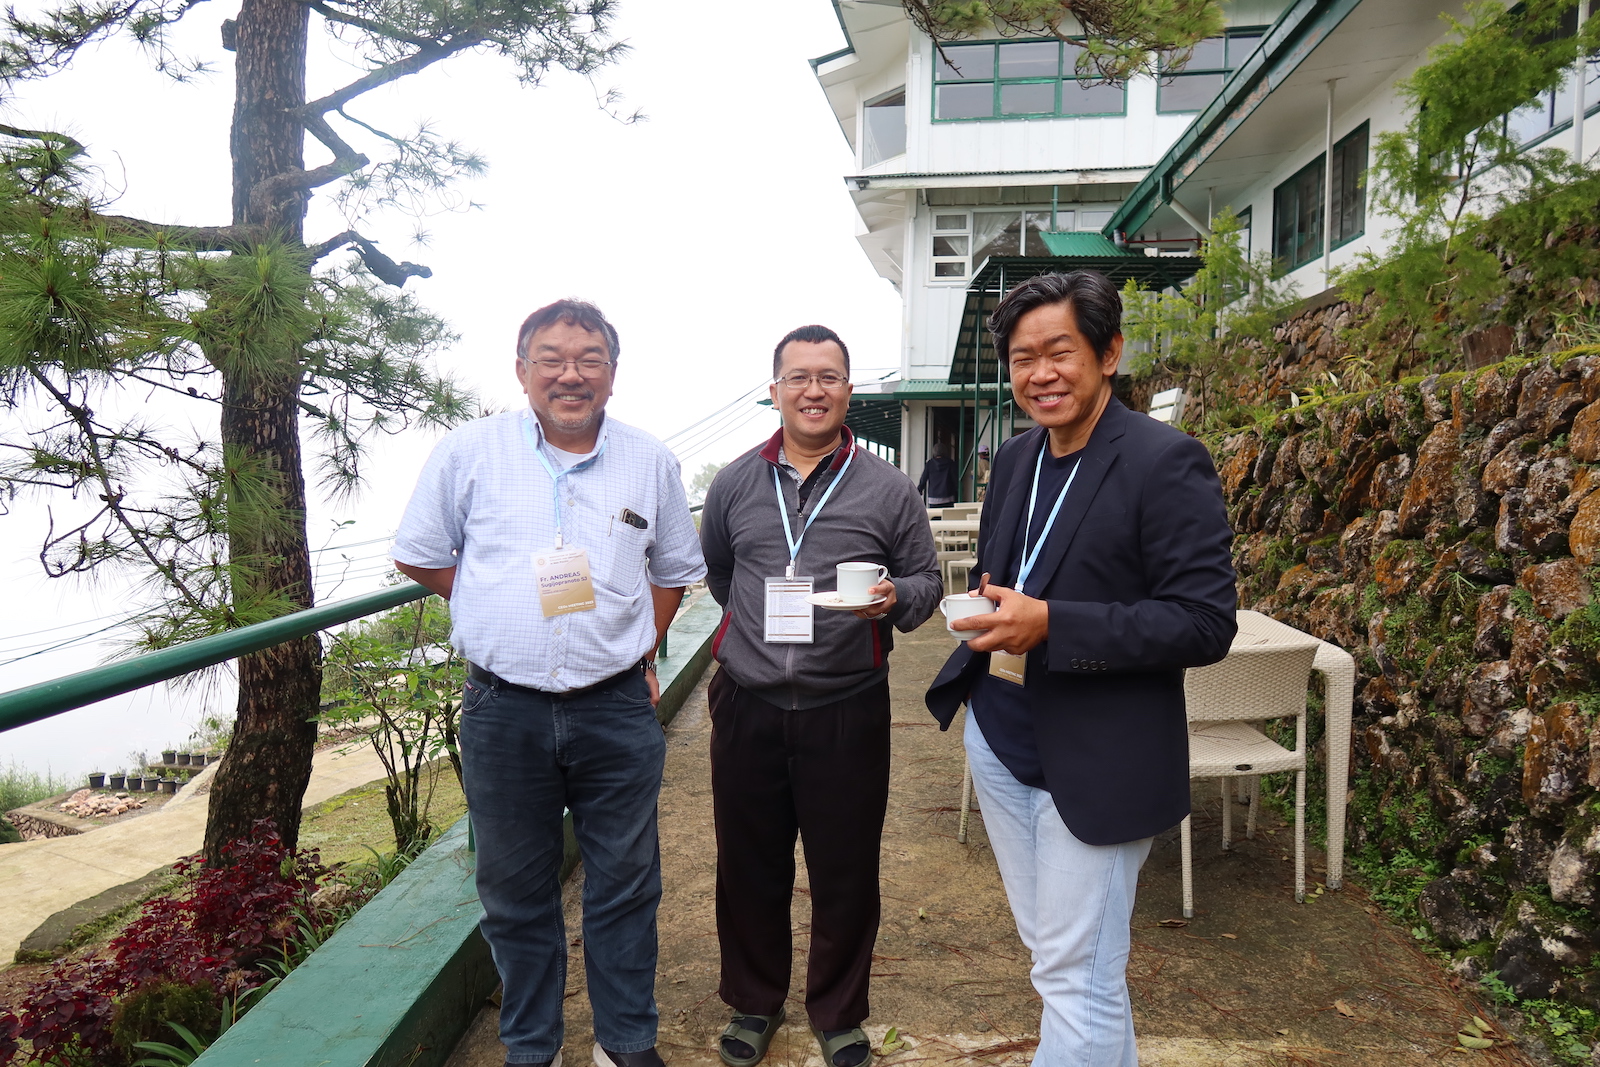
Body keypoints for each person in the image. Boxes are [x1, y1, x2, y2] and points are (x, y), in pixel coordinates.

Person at [924, 272, 1237, 1067]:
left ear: (1109, 352)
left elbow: (1204, 621)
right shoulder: (1020, 457)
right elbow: (1008, 570)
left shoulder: (1166, 461)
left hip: (1099, 758)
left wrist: (1053, 624)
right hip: (1000, 740)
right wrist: (989, 606)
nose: (1041, 373)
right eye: (1023, 358)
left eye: (1060, 351)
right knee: (1068, 963)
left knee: (1075, 970)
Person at [392, 299, 706, 1067]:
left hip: (616, 708)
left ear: (612, 371)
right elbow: (423, 554)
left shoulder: (649, 460)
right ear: (522, 368)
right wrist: (492, 605)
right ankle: (531, 1048)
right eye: (553, 358)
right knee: (513, 893)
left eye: (590, 357)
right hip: (503, 710)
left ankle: (625, 1042)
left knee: (627, 885)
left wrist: (641, 649)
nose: (571, 374)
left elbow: (671, 574)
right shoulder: (469, 451)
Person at [698, 325, 941, 1067]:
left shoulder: (889, 489)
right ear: (774, 390)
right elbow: (718, 573)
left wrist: (896, 596)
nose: (813, 389)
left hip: (849, 704)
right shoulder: (736, 482)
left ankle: (838, 1010)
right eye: (798, 377)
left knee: (844, 865)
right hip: (749, 703)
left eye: (829, 376)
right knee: (749, 863)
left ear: (848, 391)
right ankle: (754, 1001)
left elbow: (929, 582)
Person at [916, 441, 957, 507]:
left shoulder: (930, 463)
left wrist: (919, 490)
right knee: (948, 517)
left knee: (934, 516)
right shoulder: (950, 463)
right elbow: (955, 479)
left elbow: (923, 479)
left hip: (933, 498)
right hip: (948, 497)